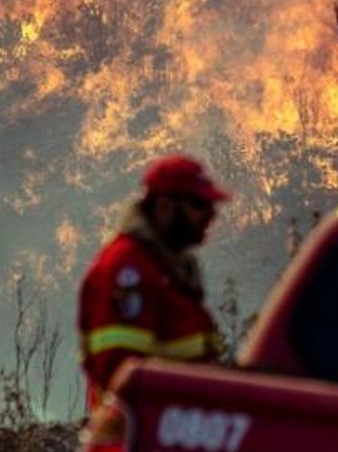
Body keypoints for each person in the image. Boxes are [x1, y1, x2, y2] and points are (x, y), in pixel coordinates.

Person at [77, 154, 229, 409]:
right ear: (164, 207)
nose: (211, 215)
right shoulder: (128, 271)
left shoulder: (166, 271)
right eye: (199, 204)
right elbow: (120, 375)